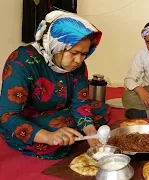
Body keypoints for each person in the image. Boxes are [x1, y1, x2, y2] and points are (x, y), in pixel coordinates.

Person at [0, 10, 110, 160]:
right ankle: (59, 135)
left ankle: (69, 133)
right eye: (74, 52)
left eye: (84, 54)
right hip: (30, 118)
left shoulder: (78, 66)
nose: (78, 60)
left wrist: (91, 133)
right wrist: (48, 136)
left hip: (61, 111)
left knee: (102, 109)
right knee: (56, 141)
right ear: (57, 45)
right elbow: (7, 116)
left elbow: (80, 102)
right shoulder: (22, 62)